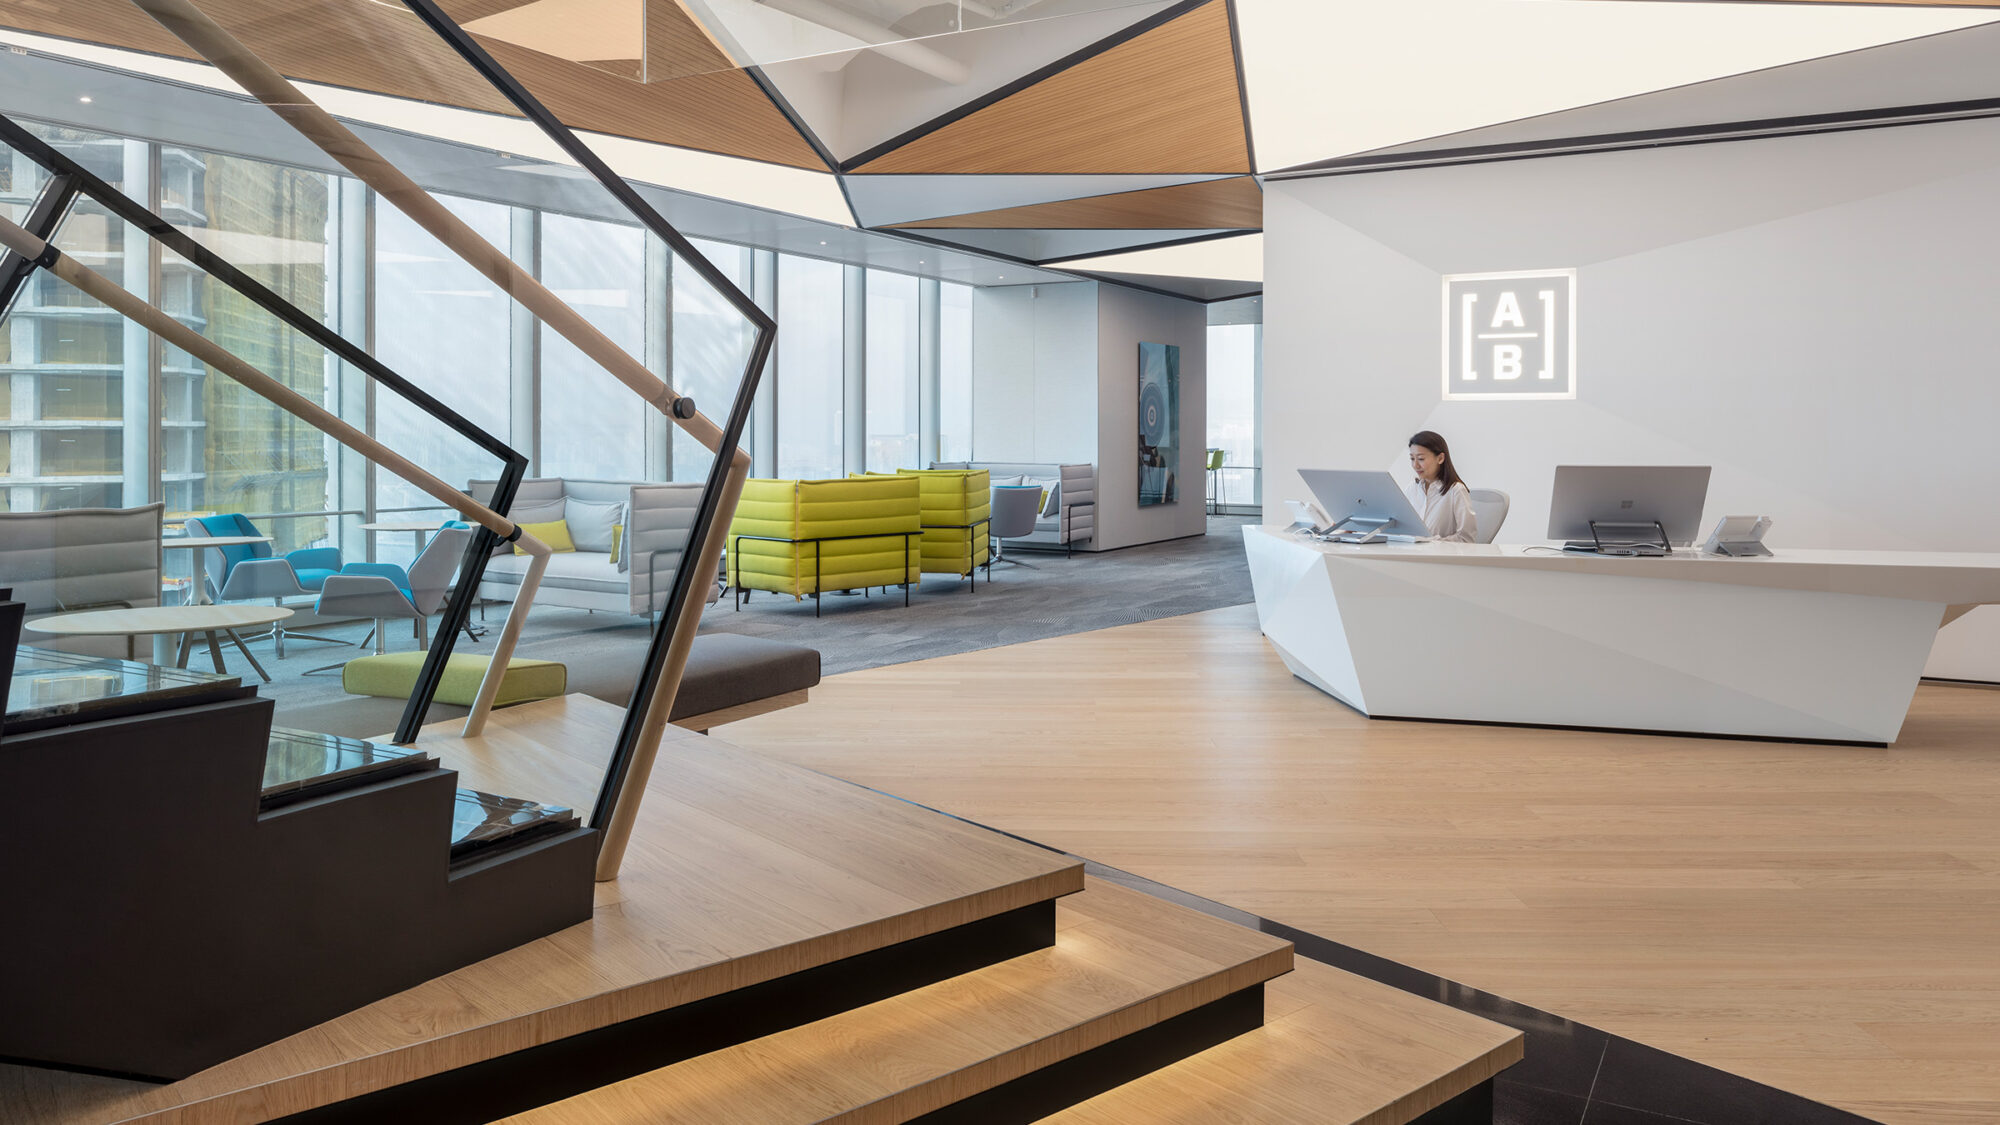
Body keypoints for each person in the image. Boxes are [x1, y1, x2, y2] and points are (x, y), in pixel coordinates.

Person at [1405, 430, 1477, 543]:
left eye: (1421, 459)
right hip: (1413, 554)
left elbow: (1466, 539)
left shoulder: (1456, 490)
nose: (1415, 465)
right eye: (1412, 459)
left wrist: (1432, 543)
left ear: (1440, 458)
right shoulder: (1412, 488)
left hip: (1440, 557)